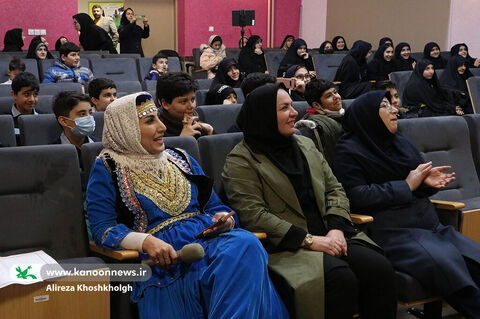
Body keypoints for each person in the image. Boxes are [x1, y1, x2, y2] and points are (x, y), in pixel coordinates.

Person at [86, 92, 289, 319]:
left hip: (210, 243)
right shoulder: (108, 168)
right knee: (243, 250)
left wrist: (224, 221)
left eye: (158, 118)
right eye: (150, 121)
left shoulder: (180, 157)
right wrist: (146, 241)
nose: (162, 127)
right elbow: (102, 229)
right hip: (169, 261)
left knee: (245, 243)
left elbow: (214, 207)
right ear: (127, 128)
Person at [222, 83, 397, 319]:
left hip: (331, 234)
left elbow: (334, 188)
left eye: (292, 106)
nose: (295, 113)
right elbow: (254, 215)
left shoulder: (305, 144)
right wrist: (310, 240)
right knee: (339, 278)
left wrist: (336, 228)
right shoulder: (241, 160)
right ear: (264, 116)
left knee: (379, 269)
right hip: (286, 246)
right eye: (285, 108)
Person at [333, 90, 480, 319]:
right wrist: (407, 185)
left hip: (431, 225)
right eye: (385, 106)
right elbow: (356, 197)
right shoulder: (347, 150)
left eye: (393, 104)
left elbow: (416, 180)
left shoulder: (400, 141)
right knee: (447, 265)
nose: (394, 110)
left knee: (475, 256)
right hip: (394, 232)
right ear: (368, 115)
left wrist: (426, 183)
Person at [300, 78, 344, 164]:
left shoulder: (344, 113)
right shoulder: (312, 126)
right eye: (329, 96)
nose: (336, 97)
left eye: (335, 92)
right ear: (317, 105)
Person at [156, 72, 213, 137]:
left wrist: (210, 132)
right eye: (183, 101)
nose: (191, 106)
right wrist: (183, 140)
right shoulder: (157, 131)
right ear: (165, 104)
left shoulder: (199, 125)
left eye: (192, 99)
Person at [52, 91, 95, 156]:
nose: (89, 118)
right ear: (63, 121)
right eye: (82, 114)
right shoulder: (52, 152)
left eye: (90, 113)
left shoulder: (101, 146)